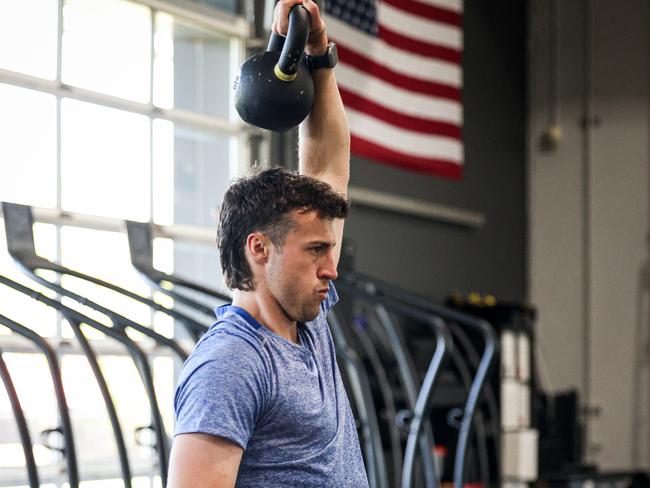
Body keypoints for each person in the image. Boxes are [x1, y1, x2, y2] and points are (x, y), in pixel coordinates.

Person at [167, 0, 369, 486]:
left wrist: (318, 57)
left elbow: (327, 168)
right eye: (316, 251)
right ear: (259, 249)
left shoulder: (307, 319)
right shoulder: (230, 367)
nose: (332, 267)